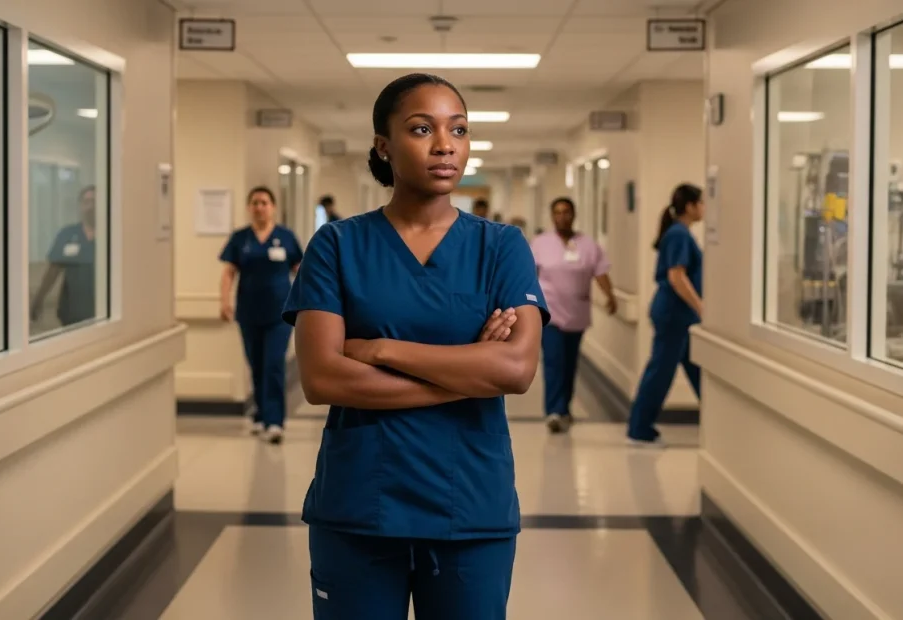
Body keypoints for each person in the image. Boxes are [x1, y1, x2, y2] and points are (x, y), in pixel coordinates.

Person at [283, 73, 549, 620]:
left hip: (470, 508)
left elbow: (516, 369)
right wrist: (465, 375)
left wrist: (381, 350)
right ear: (384, 145)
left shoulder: (501, 246)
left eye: (458, 129)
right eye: (421, 128)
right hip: (359, 507)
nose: (445, 144)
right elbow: (323, 379)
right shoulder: (336, 244)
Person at [220, 186, 303, 444]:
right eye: (255, 203)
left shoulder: (286, 237)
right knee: (256, 364)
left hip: (280, 313)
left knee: (273, 365)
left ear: (273, 207)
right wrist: (224, 301)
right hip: (248, 312)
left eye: (264, 202)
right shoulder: (241, 238)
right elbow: (229, 272)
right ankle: (260, 414)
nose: (259, 207)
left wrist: (306, 302)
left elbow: (299, 270)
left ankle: (275, 421)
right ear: (249, 207)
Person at [627, 183, 704, 447]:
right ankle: (639, 428)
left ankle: (720, 422)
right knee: (661, 370)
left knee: (698, 371)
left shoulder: (679, 233)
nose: (705, 208)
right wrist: (701, 306)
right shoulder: (679, 235)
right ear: (691, 206)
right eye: (702, 202)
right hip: (675, 314)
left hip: (678, 314)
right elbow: (676, 276)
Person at [532, 197, 617, 433]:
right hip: (549, 314)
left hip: (577, 314)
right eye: (557, 212)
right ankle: (553, 411)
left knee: (569, 365)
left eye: (566, 212)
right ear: (552, 216)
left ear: (574, 214)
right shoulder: (540, 243)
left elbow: (600, 272)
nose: (562, 216)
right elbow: (529, 275)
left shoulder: (588, 245)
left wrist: (610, 296)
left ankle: (564, 408)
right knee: (554, 362)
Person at [31, 186, 98, 329]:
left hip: (102, 312)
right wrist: (38, 299)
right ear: (80, 206)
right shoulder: (67, 234)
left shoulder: (112, 234)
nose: (91, 206)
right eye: (86, 202)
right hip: (72, 313)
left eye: (95, 202)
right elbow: (53, 270)